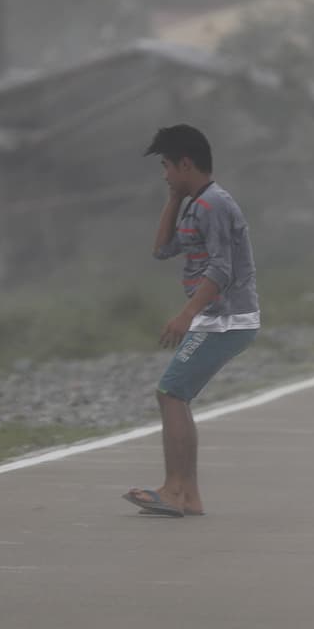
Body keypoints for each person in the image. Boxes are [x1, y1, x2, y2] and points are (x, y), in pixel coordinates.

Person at [124, 124, 260, 517]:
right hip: (216, 318)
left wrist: (187, 315)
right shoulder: (194, 203)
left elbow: (221, 268)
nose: (164, 174)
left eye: (167, 166)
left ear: (185, 164)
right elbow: (162, 249)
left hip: (226, 319)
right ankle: (187, 495)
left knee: (171, 393)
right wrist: (173, 197)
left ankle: (175, 490)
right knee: (175, 395)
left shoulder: (214, 205)